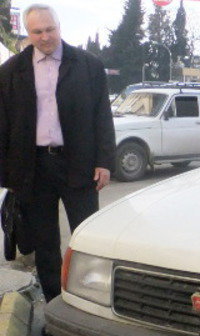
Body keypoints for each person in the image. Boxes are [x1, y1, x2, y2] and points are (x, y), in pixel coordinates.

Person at [0, 4, 115, 302]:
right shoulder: (11, 71)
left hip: (79, 164)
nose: (45, 37)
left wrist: (104, 162)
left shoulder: (88, 65)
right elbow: (3, 124)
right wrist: (7, 174)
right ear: (28, 33)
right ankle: (54, 302)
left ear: (59, 27)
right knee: (45, 243)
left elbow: (102, 116)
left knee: (88, 238)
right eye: (37, 31)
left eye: (50, 29)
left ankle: (90, 298)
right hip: (34, 168)